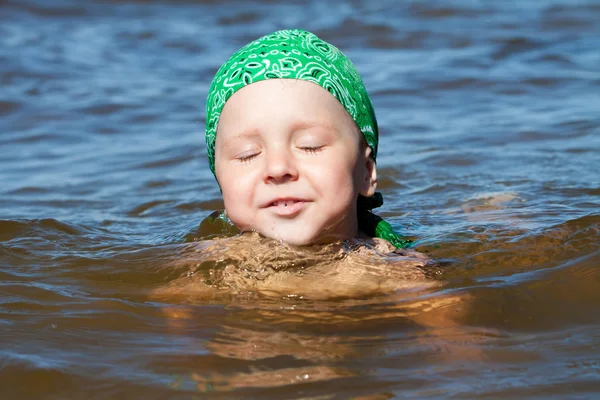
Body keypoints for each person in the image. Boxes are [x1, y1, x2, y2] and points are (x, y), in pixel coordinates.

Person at [204, 28, 412, 249]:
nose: (277, 168)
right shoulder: (200, 272)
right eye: (247, 154)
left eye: (309, 146)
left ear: (366, 173)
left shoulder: (399, 271)